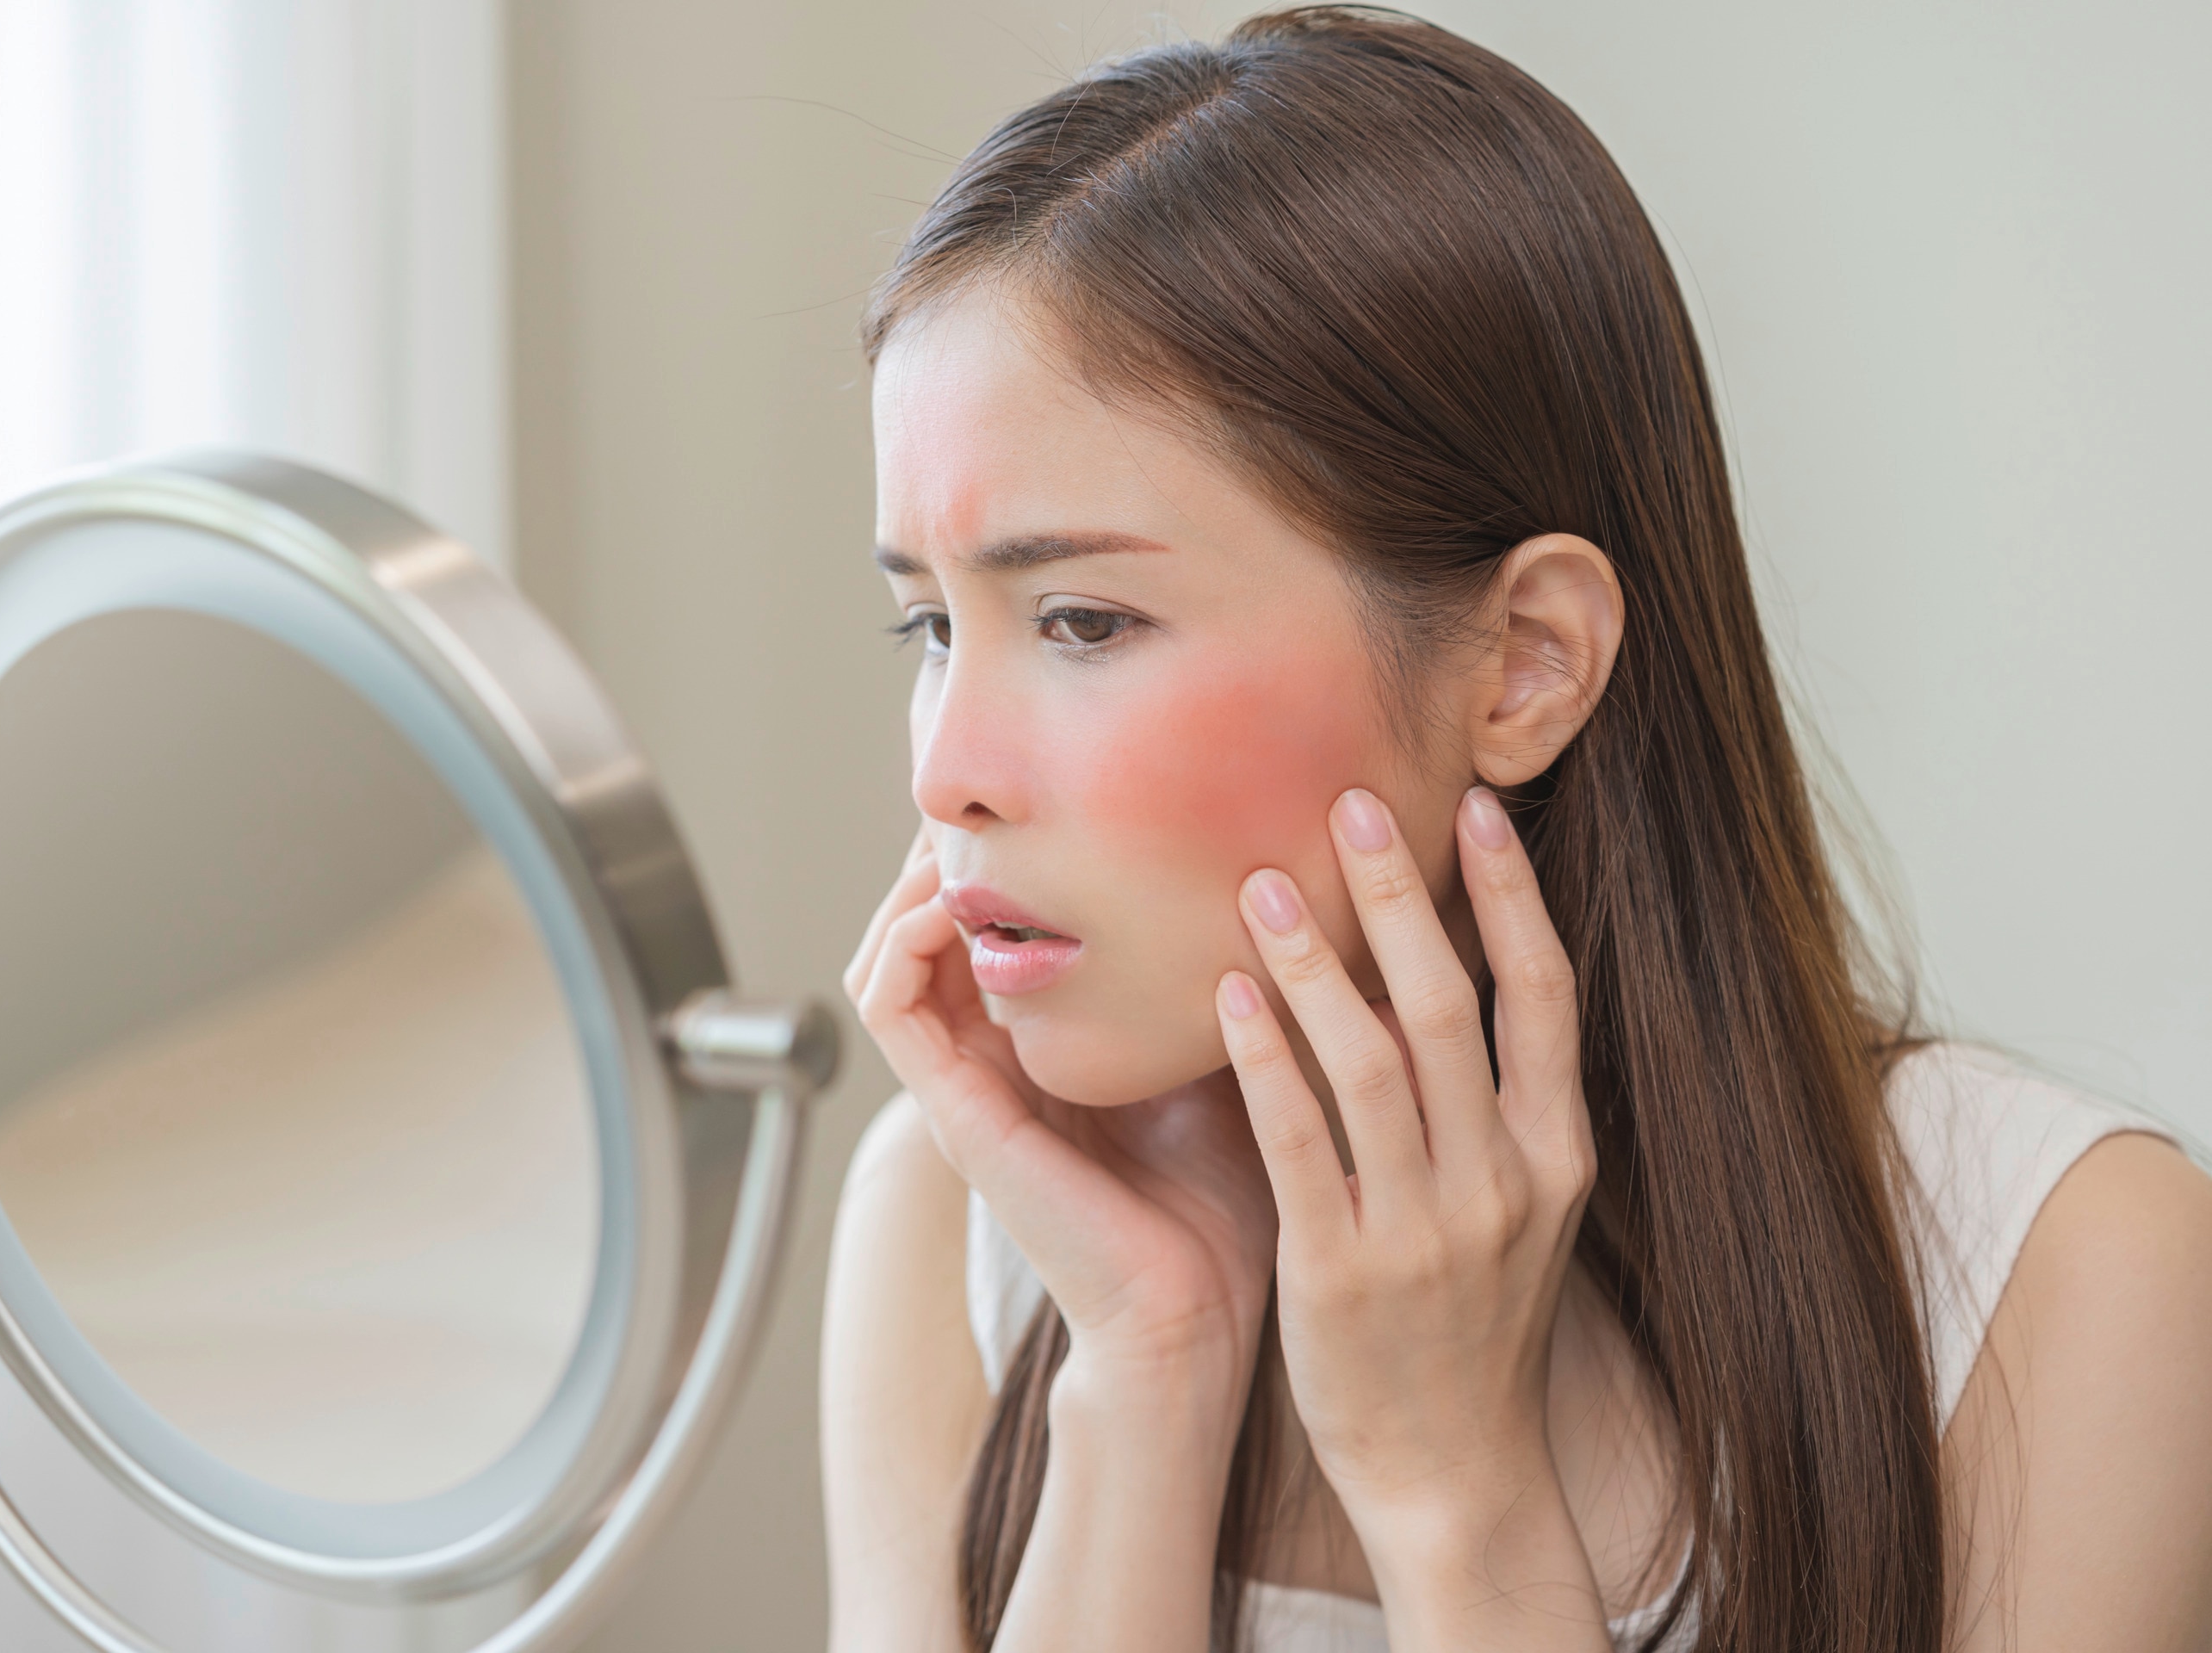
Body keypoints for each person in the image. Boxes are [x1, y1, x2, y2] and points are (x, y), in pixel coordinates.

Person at [818, 10, 2212, 1651]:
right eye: (928, 631)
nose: (947, 772)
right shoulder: (959, 1218)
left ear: (1526, 661)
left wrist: (1454, 1497)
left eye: (1083, 621)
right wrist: (1149, 1362)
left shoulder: (2065, 1281)